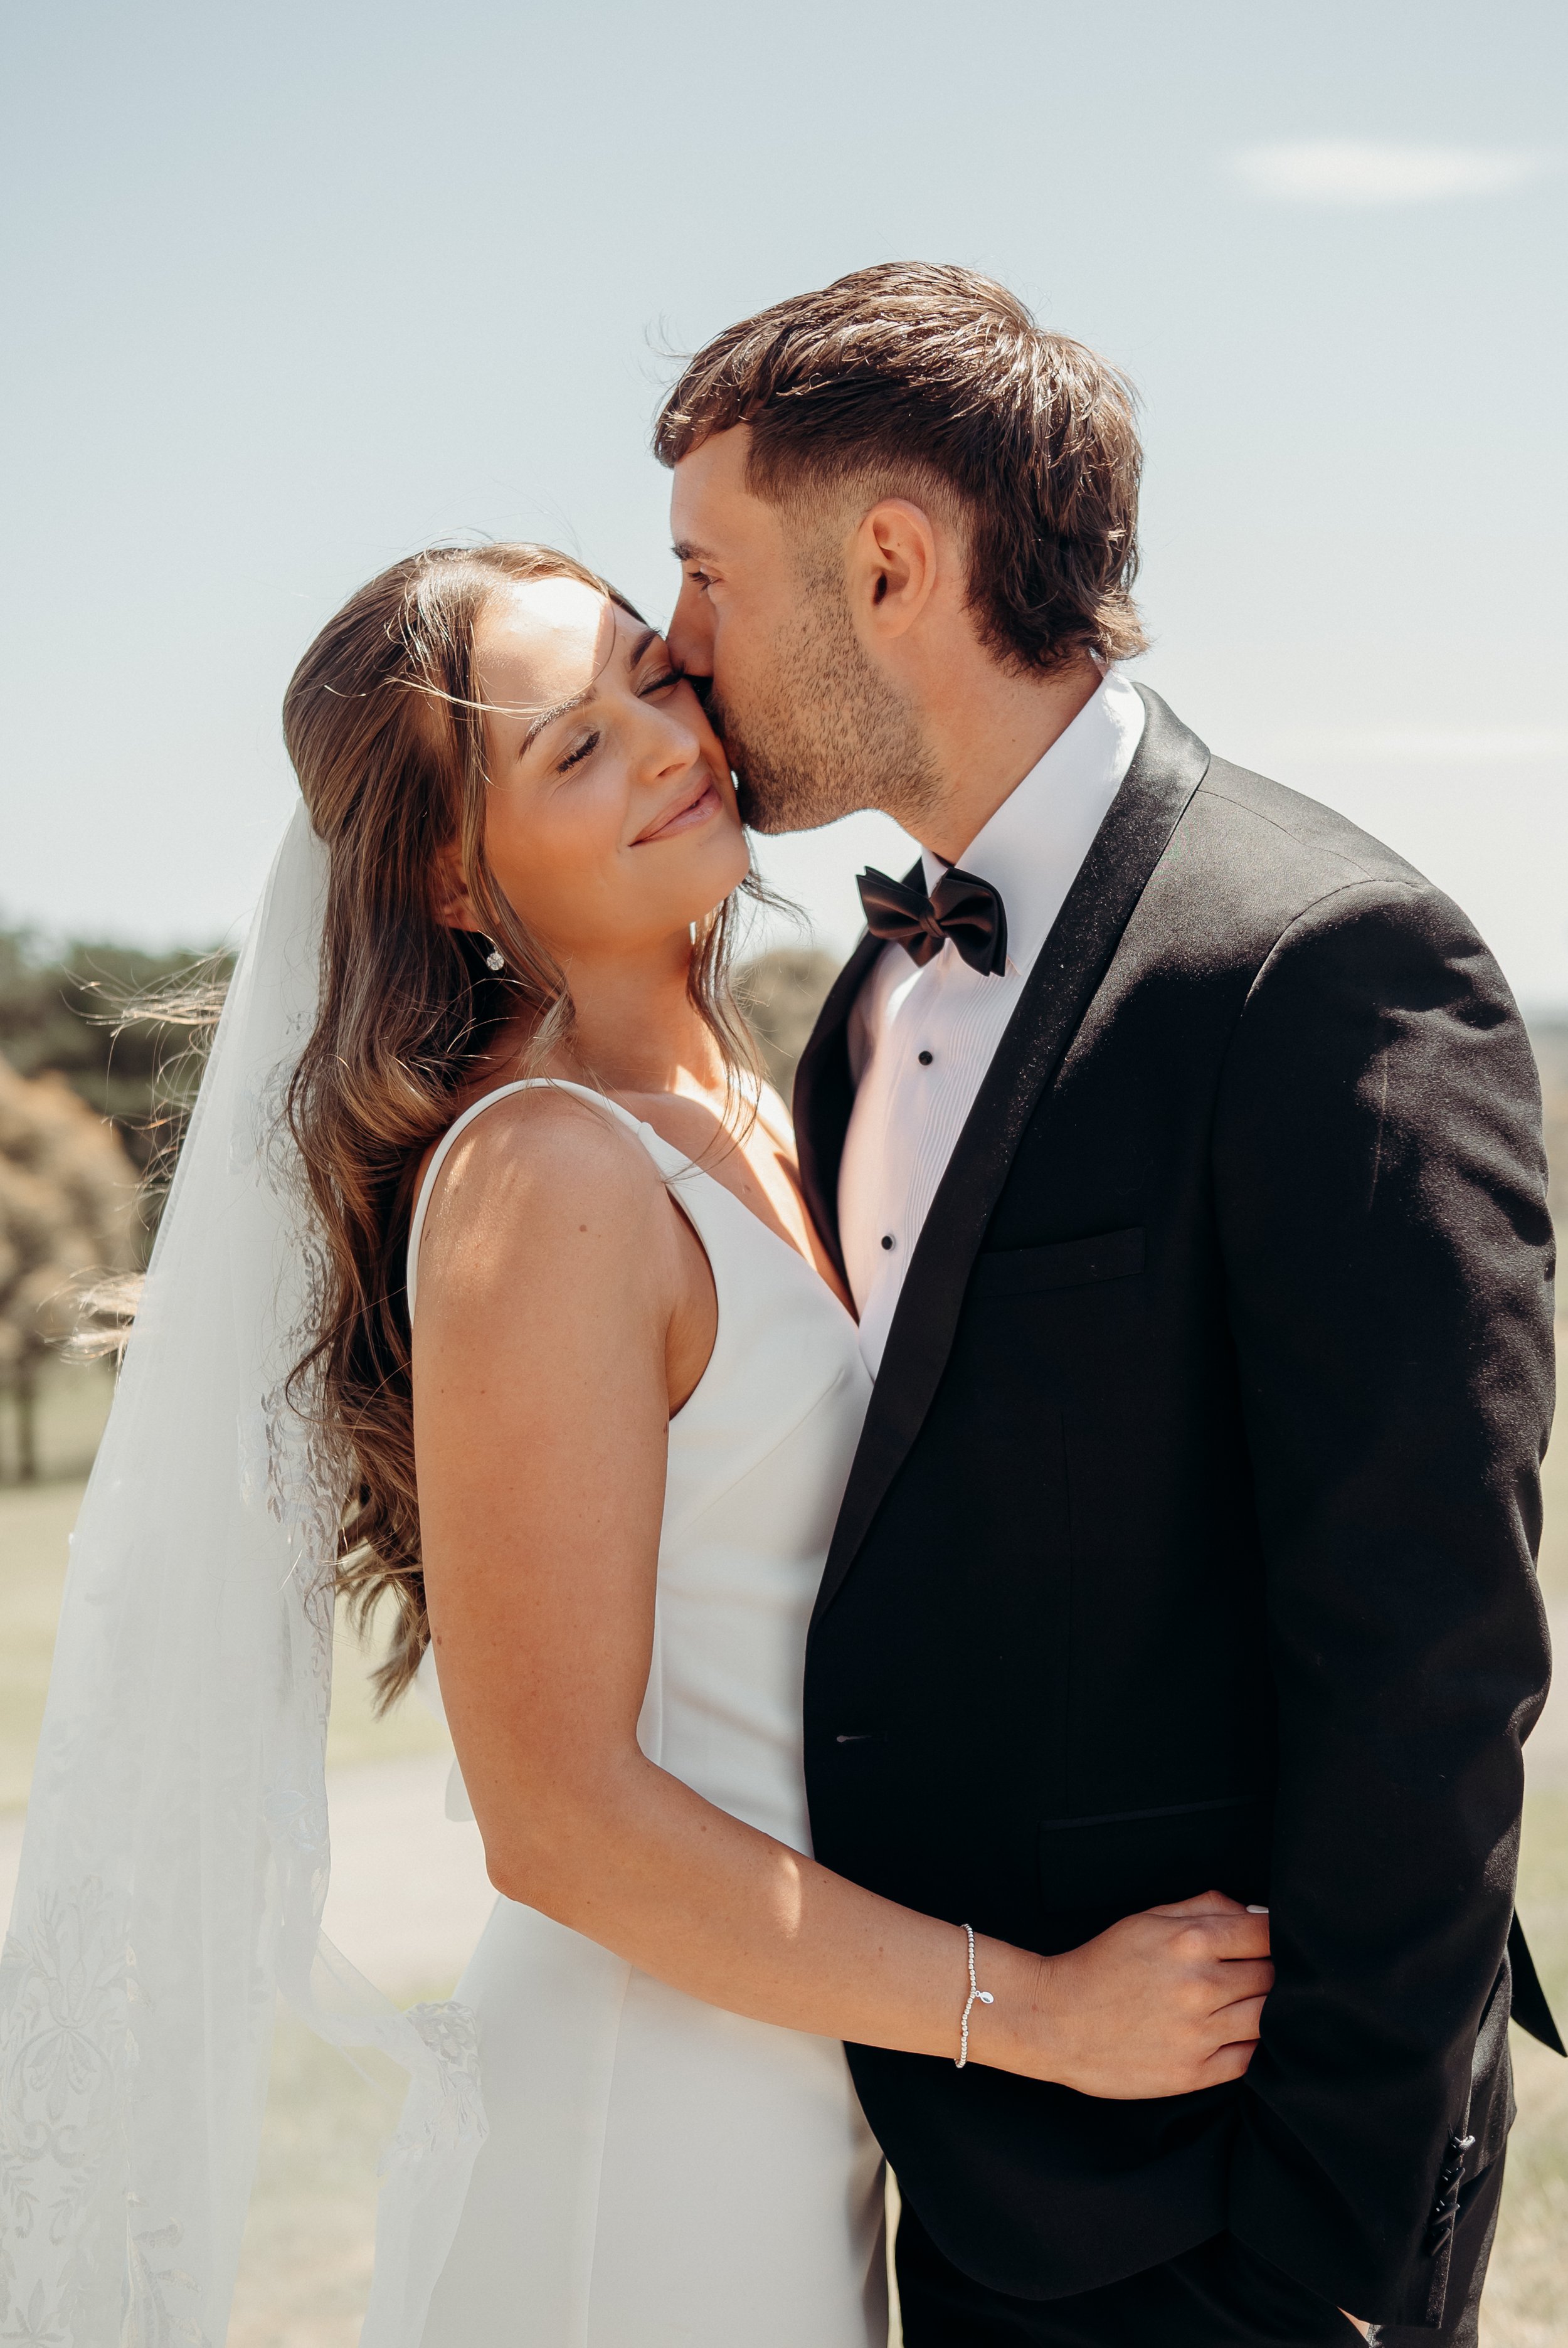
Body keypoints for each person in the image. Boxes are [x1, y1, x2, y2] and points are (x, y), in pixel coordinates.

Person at [0, 537, 1271, 2347]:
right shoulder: (547, 1175)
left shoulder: (755, 1083)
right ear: (451, 872)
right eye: (571, 751)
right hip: (651, 2130)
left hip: (808, 2067)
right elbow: (563, 1827)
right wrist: (1042, 2013)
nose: (670, 744)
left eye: (649, 683)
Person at [655, 260, 1562, 2348]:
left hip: (1222, 2207)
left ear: (889, 563)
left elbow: (1425, 1665)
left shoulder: (1322, 961)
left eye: (704, 574)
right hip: (940, 2134)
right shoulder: (868, 1000)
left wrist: (1325, 2251)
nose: (671, 646)